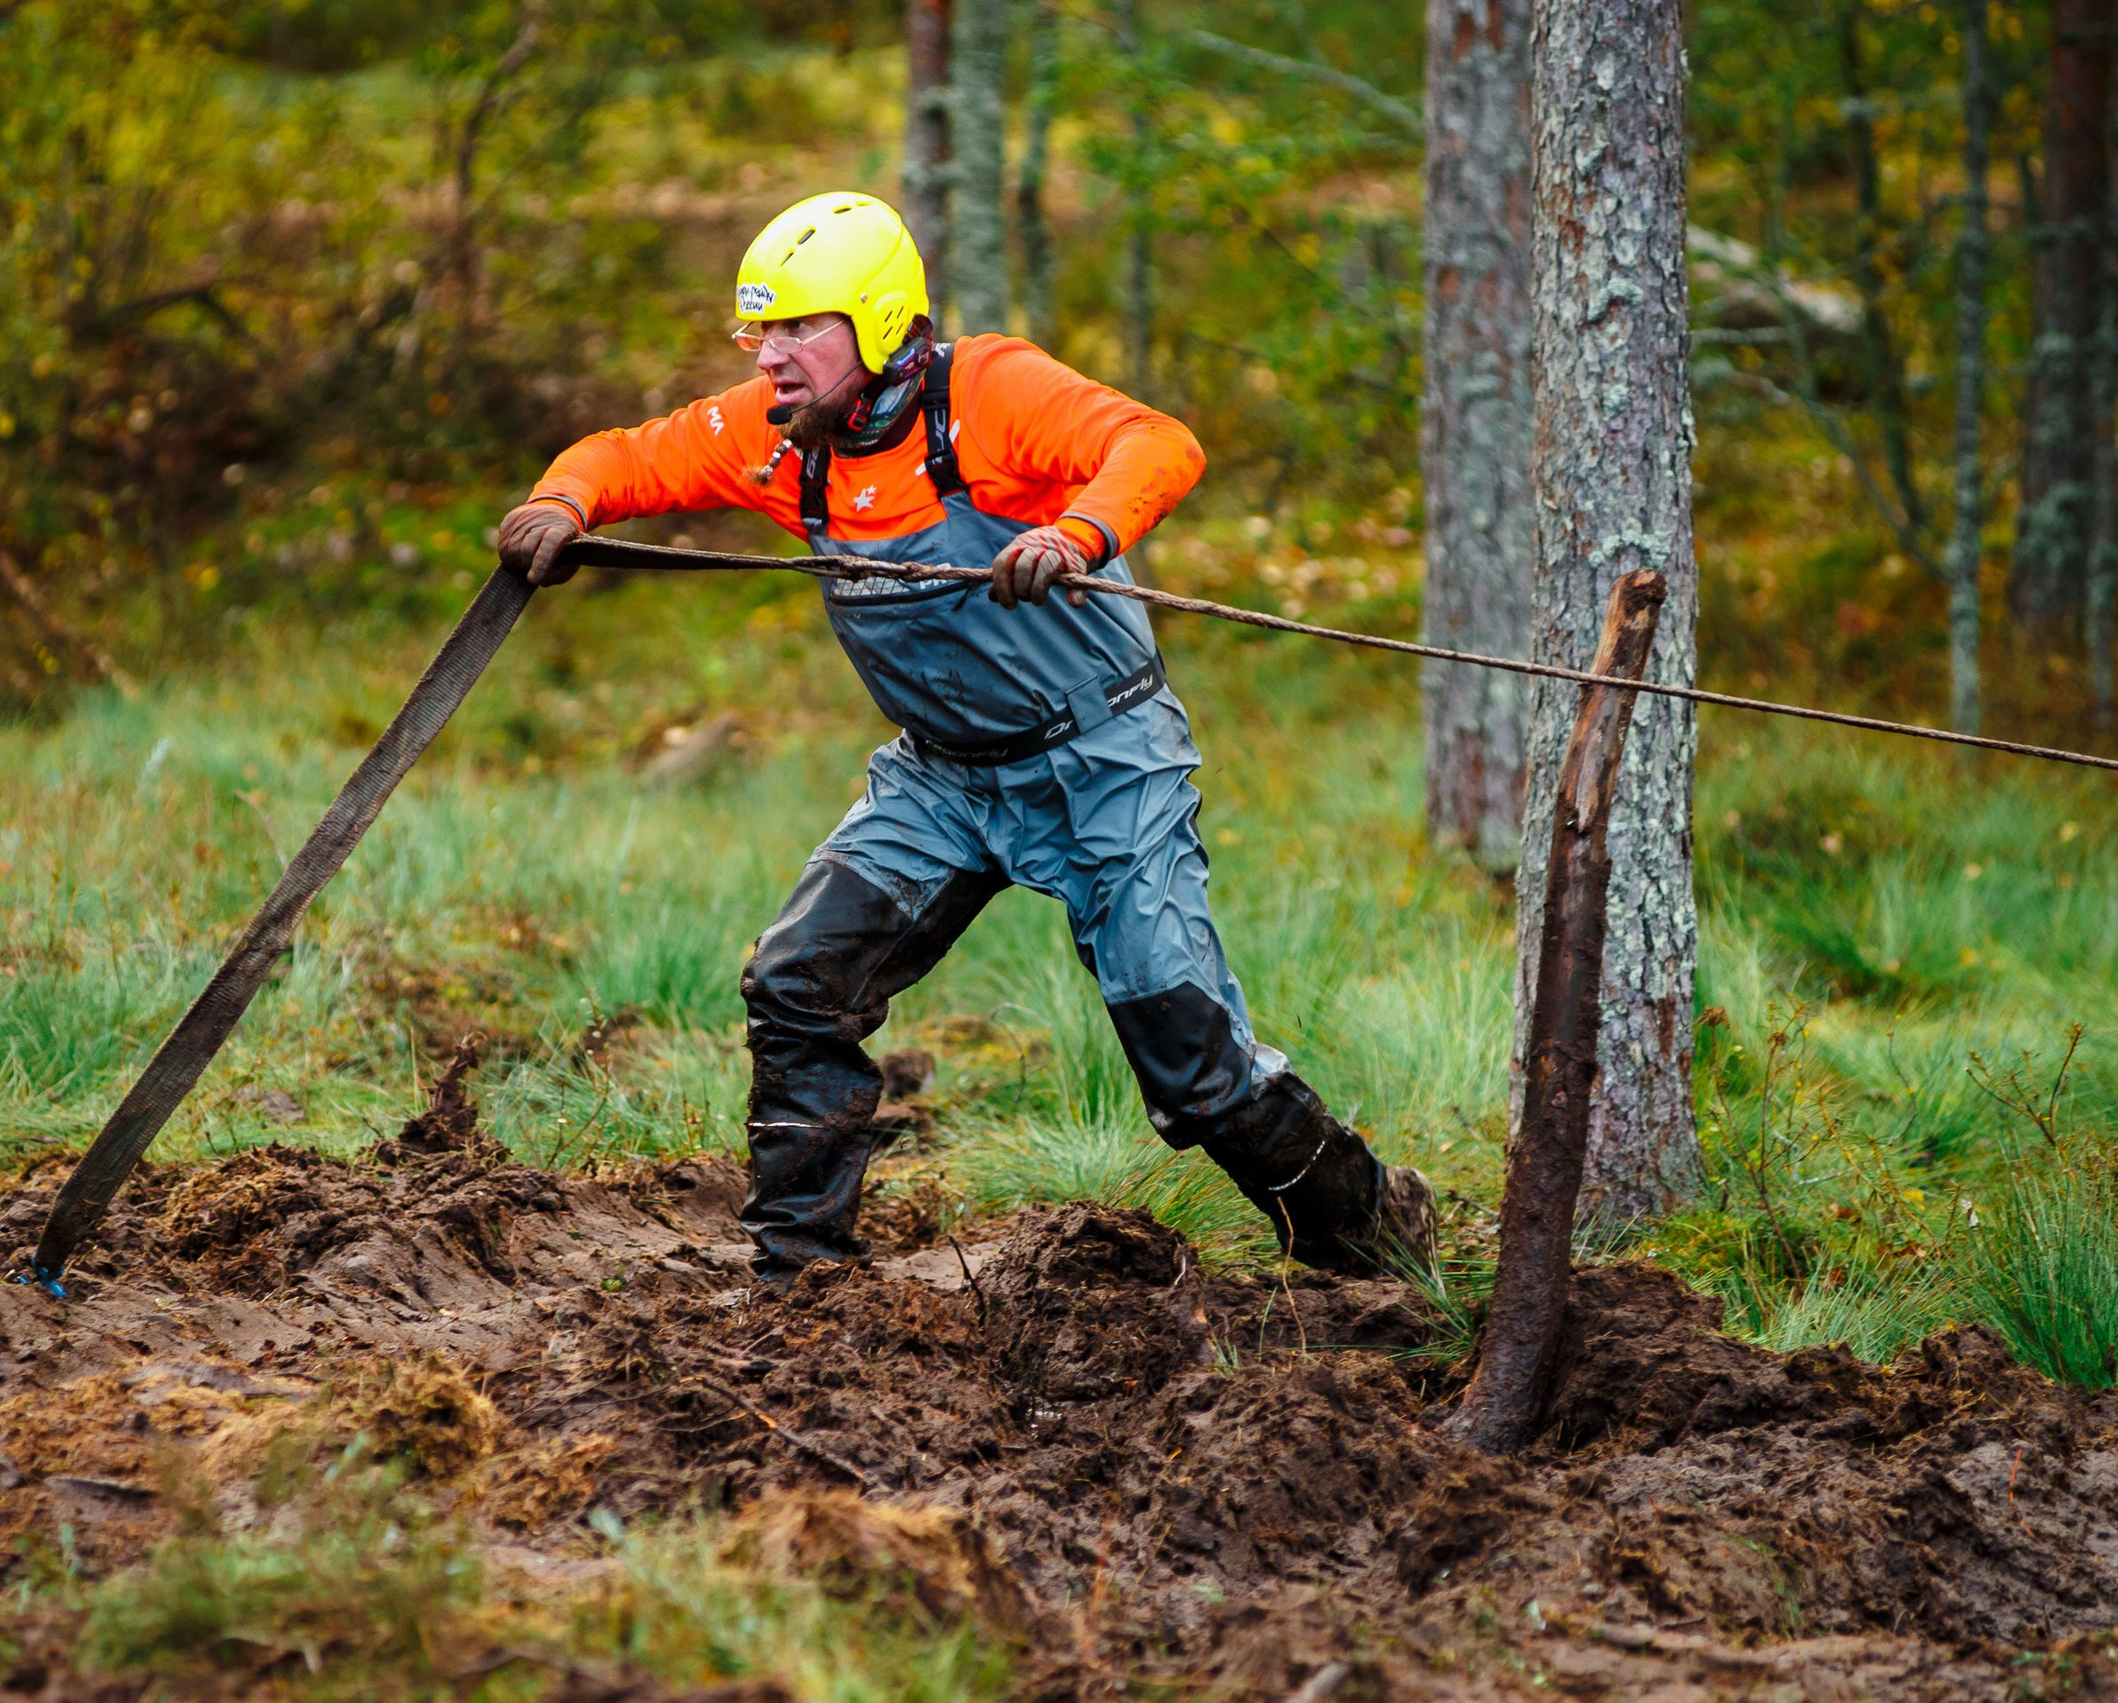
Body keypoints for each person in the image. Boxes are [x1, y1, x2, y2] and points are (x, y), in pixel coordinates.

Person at [498, 191, 1435, 1286]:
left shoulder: (988, 394)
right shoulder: (776, 438)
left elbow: (1155, 442)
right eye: (759, 331)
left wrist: (1079, 530)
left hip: (1103, 764)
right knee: (798, 983)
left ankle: (1372, 1239)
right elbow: (627, 455)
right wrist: (561, 503)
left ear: (882, 320)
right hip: (940, 782)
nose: (771, 357)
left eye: (801, 327)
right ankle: (798, 1283)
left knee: (1192, 1064)